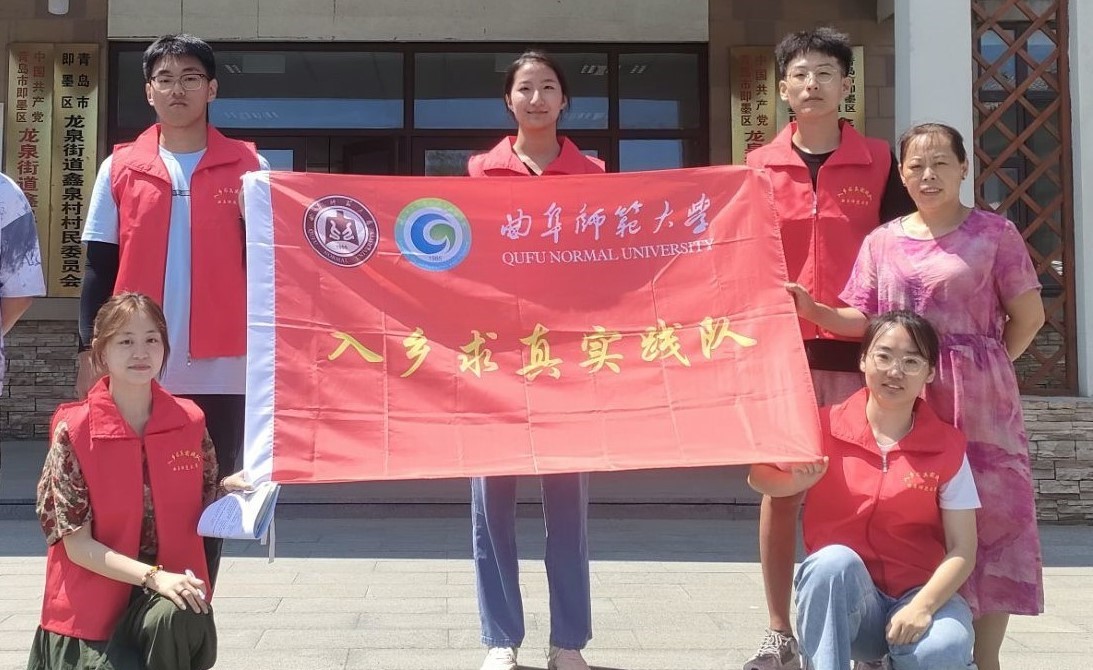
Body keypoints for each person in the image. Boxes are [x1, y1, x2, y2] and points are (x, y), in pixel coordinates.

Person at [786, 122, 1045, 670]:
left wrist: (987, 363)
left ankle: (984, 657)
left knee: (991, 522)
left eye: (941, 163)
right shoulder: (883, 240)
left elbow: (1029, 316)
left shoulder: (995, 234)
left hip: (979, 403)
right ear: (901, 175)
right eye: (915, 166)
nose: (928, 175)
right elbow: (864, 319)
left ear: (964, 168)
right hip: (900, 388)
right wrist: (816, 311)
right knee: (902, 508)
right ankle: (885, 626)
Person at [742, 27, 915, 670]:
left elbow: (905, 251)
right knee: (781, 490)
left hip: (860, 354)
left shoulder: (880, 162)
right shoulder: (756, 167)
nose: (811, 83)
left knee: (861, 493)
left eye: (824, 72)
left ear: (847, 85)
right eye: (799, 73)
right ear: (782, 88)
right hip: (781, 356)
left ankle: (863, 633)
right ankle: (779, 631)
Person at [76, 33, 267, 585]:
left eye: (190, 78)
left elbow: (272, 265)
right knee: (133, 494)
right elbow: (98, 266)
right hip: (136, 361)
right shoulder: (120, 167)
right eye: (165, 78)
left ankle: (193, 609)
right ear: (148, 91)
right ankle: (138, 607)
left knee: (212, 496)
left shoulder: (249, 166)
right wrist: (88, 349)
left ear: (212, 89)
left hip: (225, 366)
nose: (177, 89)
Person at [466, 50, 604, 670]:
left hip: (567, 358)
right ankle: (501, 638)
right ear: (508, 100)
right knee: (490, 503)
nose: (537, 98)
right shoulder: (478, 172)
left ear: (565, 100)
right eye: (525, 88)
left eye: (549, 87)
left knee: (568, 507)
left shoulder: (594, 175)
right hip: (494, 355)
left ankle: (567, 640)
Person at [29, 292, 249, 670]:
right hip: (92, 602)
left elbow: (201, 498)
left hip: (166, 594)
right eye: (125, 341)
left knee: (179, 612)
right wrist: (154, 578)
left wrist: (232, 490)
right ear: (101, 352)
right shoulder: (75, 430)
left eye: (151, 339)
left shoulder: (189, 421)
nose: (140, 352)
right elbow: (77, 545)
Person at [749, 310, 980, 670]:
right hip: (852, 606)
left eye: (911, 361)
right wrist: (794, 483)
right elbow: (759, 476)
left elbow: (963, 548)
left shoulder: (947, 446)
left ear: (930, 373)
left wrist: (922, 607)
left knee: (943, 648)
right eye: (883, 356)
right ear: (862, 360)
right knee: (830, 563)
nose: (895, 371)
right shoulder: (822, 427)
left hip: (917, 596)